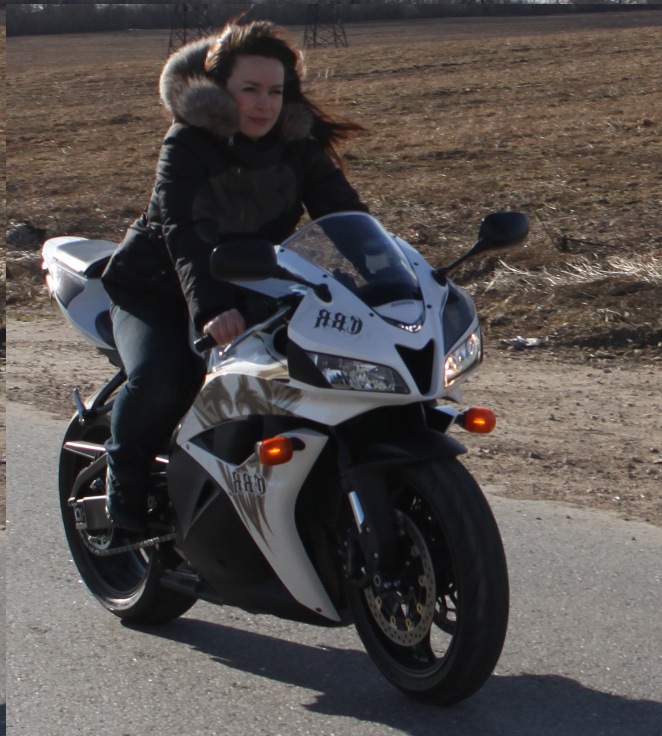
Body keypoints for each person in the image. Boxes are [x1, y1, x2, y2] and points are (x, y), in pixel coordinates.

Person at [100, 20, 368, 532]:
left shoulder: (297, 144)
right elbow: (185, 232)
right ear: (222, 91)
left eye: (275, 91)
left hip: (252, 285)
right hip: (157, 288)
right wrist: (211, 308)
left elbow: (345, 216)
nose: (264, 105)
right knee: (166, 379)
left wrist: (392, 281)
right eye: (250, 90)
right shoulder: (188, 142)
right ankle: (125, 483)